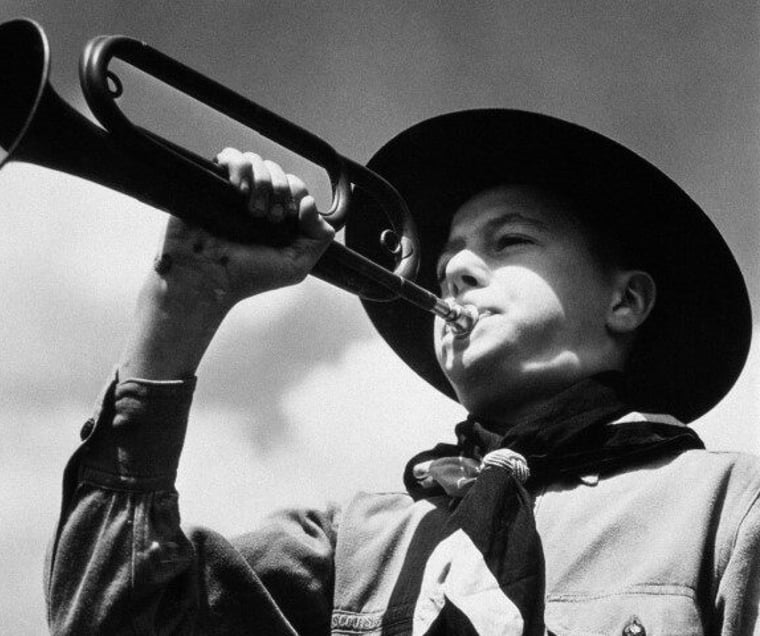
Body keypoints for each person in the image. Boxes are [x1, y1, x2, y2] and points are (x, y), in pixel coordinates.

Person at [45, 110, 760, 634]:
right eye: (448, 257)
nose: (457, 271)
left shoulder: (724, 509)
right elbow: (110, 619)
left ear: (625, 301)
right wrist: (182, 303)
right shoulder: (350, 542)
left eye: (510, 240)